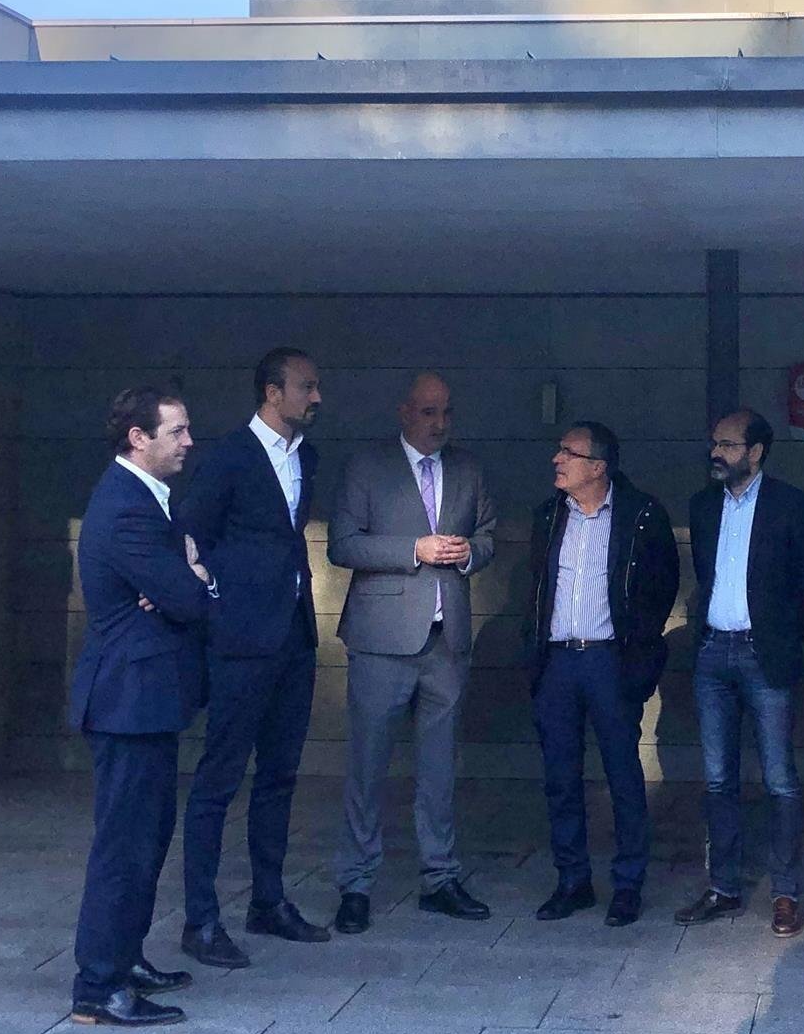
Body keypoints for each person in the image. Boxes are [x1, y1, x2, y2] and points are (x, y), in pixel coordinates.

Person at [326, 371, 496, 934]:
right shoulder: (367, 466)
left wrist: (469, 553)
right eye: (428, 412)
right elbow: (343, 545)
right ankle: (355, 882)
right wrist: (413, 549)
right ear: (404, 412)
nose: (439, 423)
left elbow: (489, 536)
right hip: (381, 639)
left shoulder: (468, 468)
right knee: (368, 766)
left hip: (447, 640)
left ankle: (440, 878)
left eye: (446, 412)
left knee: (440, 767)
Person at [67, 387, 214, 1027]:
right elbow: (186, 598)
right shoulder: (127, 506)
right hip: (127, 701)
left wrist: (182, 578)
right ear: (138, 438)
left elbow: (177, 587)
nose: (188, 442)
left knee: (147, 840)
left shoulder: (151, 499)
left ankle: (124, 958)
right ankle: (99, 987)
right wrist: (190, 579)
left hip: (147, 700)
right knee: (123, 847)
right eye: (176, 431)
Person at [178, 347, 329, 967]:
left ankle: (268, 900)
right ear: (272, 392)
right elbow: (192, 534)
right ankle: (200, 919)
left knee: (280, 775)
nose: (316, 398)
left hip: (293, 636)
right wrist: (217, 605)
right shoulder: (227, 457)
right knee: (219, 776)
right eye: (306, 387)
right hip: (241, 641)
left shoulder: (306, 457)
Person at [675, 409, 804, 937]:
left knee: (779, 780)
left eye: (727, 444)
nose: (716, 452)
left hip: (765, 655)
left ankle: (785, 892)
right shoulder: (703, 505)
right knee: (718, 779)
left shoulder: (791, 505)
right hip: (713, 653)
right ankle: (723, 886)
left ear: (756, 452)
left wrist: (782, 634)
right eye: (714, 442)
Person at [524, 421, 679, 927]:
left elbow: (662, 586)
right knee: (560, 776)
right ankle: (572, 880)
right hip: (557, 661)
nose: (556, 459)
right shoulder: (549, 515)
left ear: (597, 467)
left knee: (622, 774)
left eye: (568, 453)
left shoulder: (641, 515)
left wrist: (641, 652)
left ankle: (628, 884)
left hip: (611, 660)